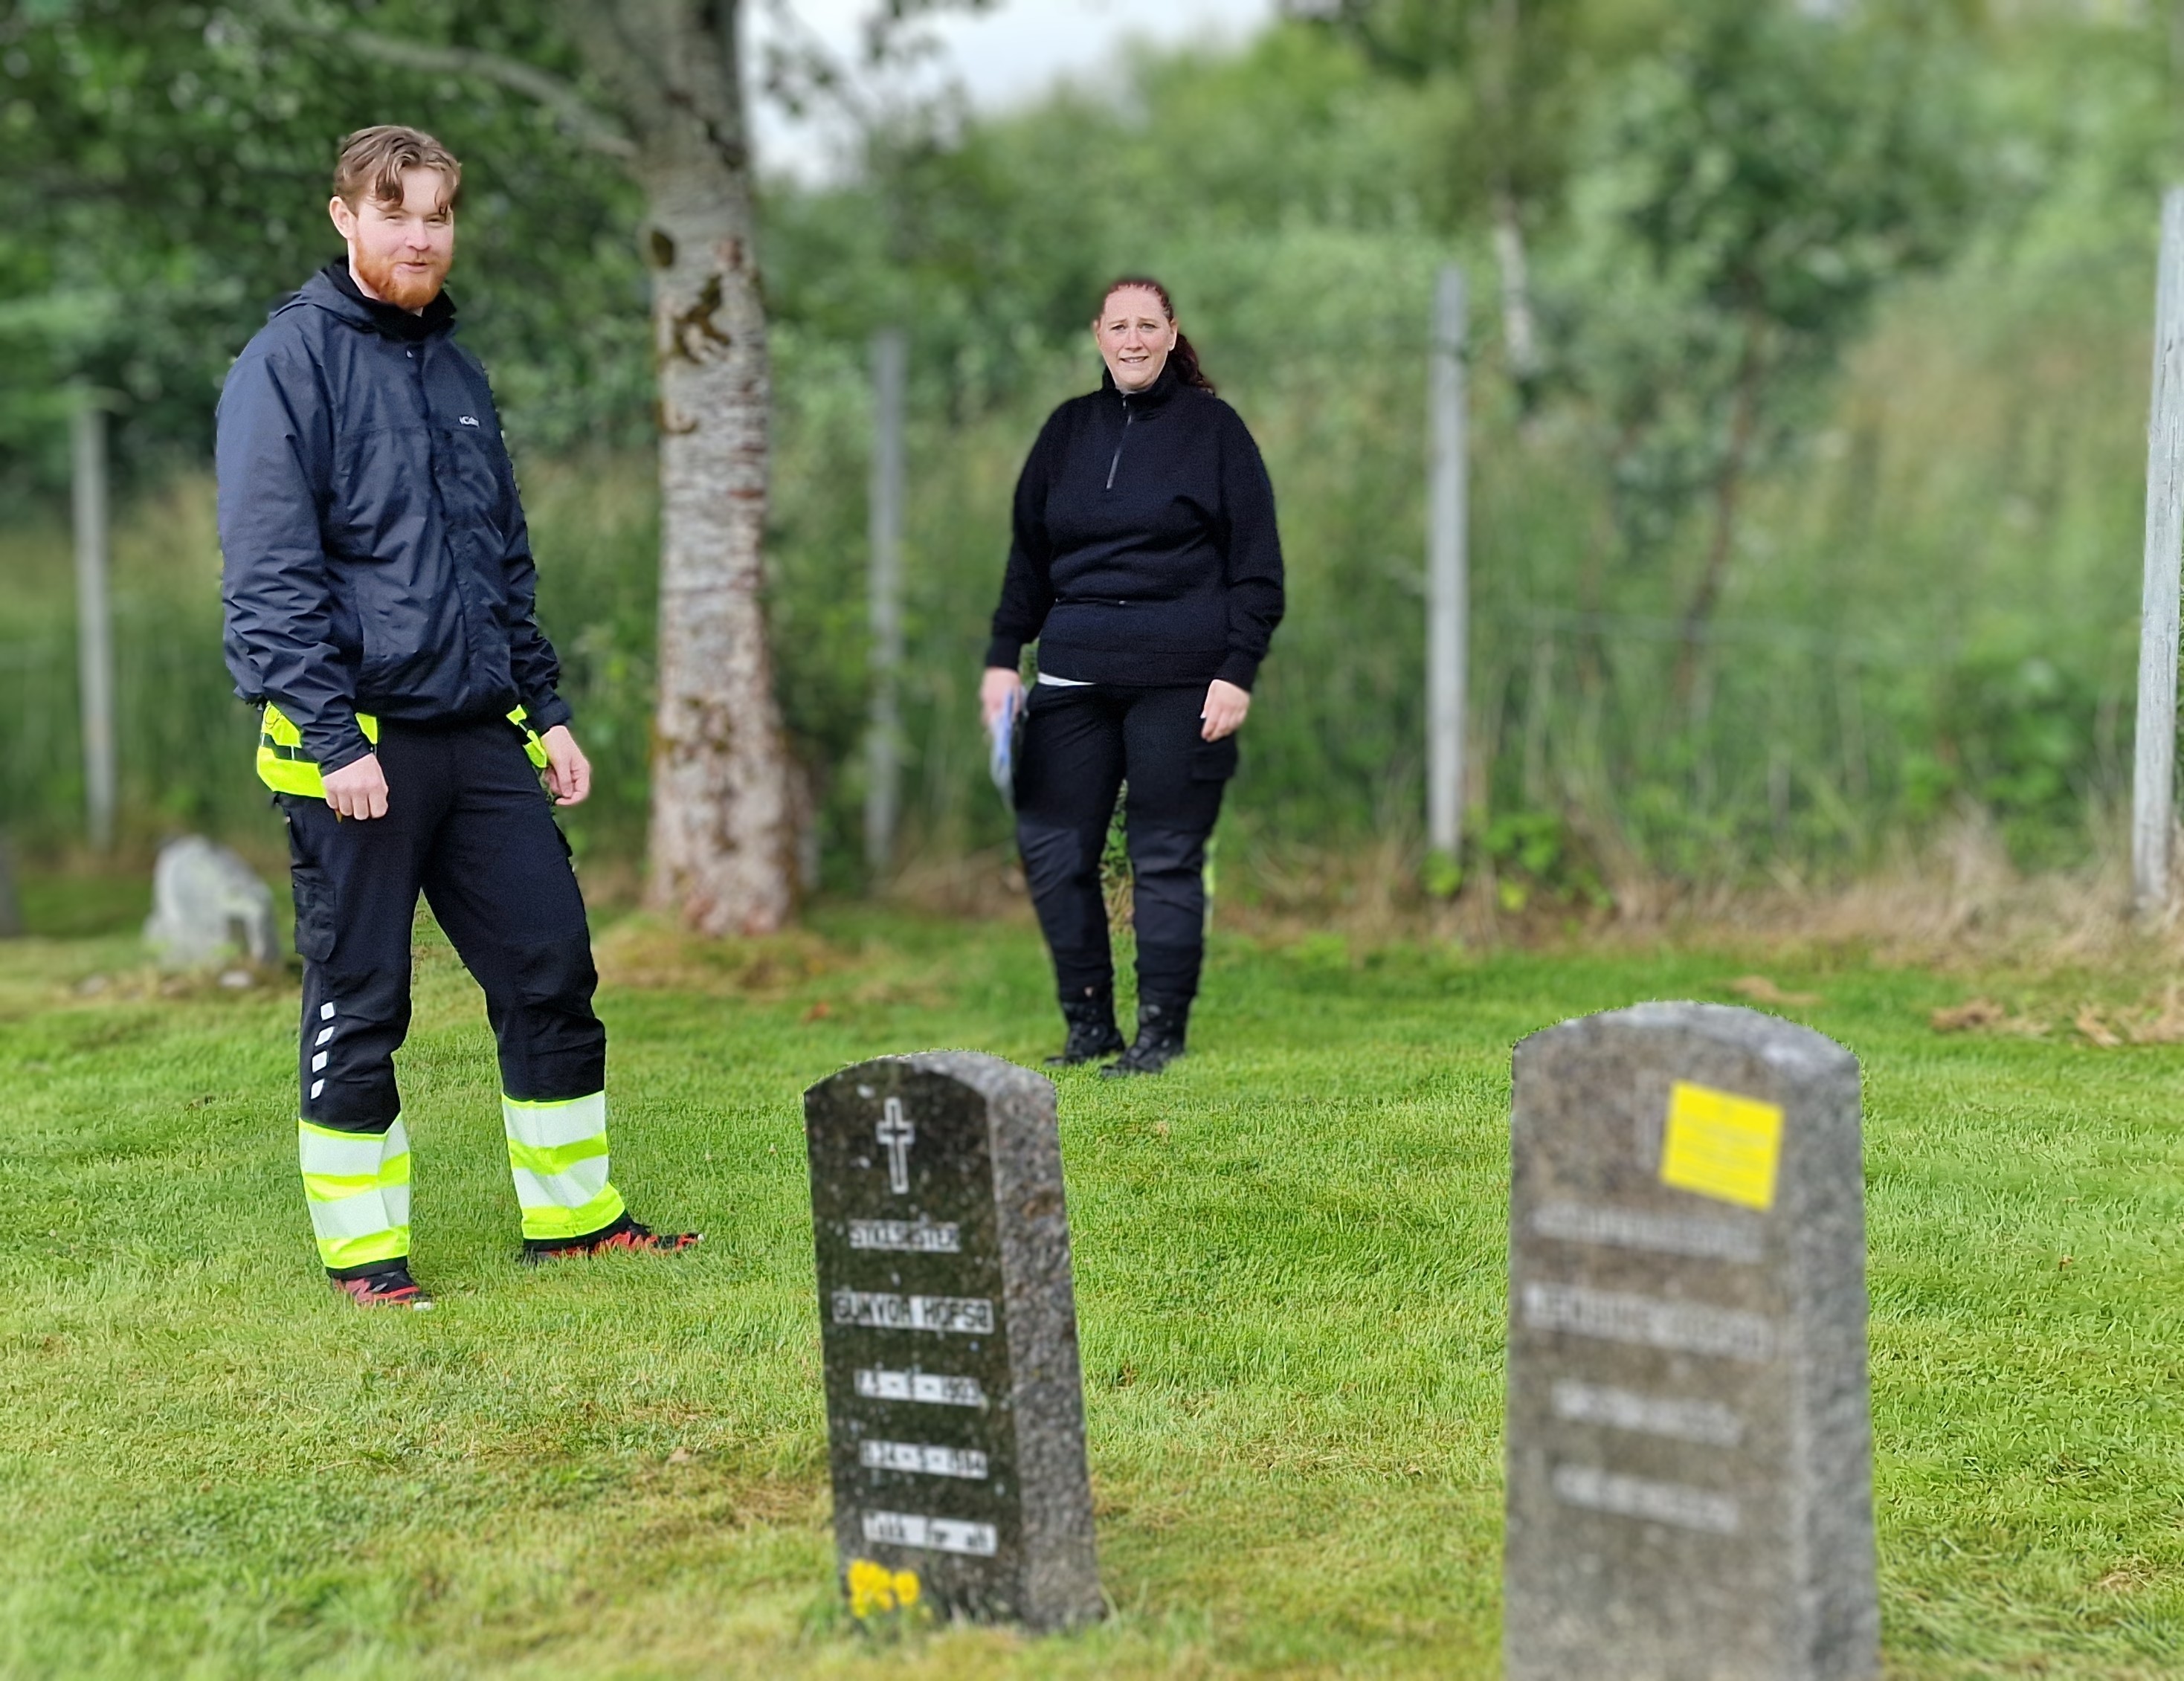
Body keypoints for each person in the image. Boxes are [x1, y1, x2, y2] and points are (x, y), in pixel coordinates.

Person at [217, 126, 698, 1310]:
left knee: (550, 966)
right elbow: (271, 576)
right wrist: (332, 740)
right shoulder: (286, 364)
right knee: (361, 995)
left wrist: (549, 713)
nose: (420, 235)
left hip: (482, 737)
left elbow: (499, 566)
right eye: (396, 213)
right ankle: (365, 1255)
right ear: (345, 218)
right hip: (355, 747)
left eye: (436, 215)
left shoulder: (458, 372)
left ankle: (575, 1219)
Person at [982, 277, 1284, 1076]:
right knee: (1052, 849)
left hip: (1184, 676)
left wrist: (1237, 670)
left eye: (1148, 325)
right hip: (1073, 674)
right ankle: (1089, 1024)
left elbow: (1259, 569)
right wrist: (1002, 658)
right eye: (1119, 326)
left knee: (1165, 855)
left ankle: (1160, 1031)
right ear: (1098, 335)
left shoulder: (1215, 432)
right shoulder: (1067, 431)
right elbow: (1029, 559)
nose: (1133, 339)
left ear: (1172, 331)